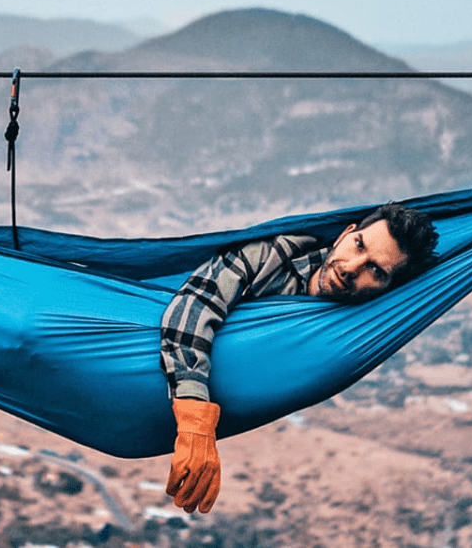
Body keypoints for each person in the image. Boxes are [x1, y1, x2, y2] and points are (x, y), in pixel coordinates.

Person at [160, 203, 439, 513]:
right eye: (358, 244)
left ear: (389, 288)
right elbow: (196, 305)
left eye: (375, 270)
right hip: (148, 342)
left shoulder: (360, 326)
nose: (350, 268)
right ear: (345, 234)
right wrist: (195, 424)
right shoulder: (271, 256)